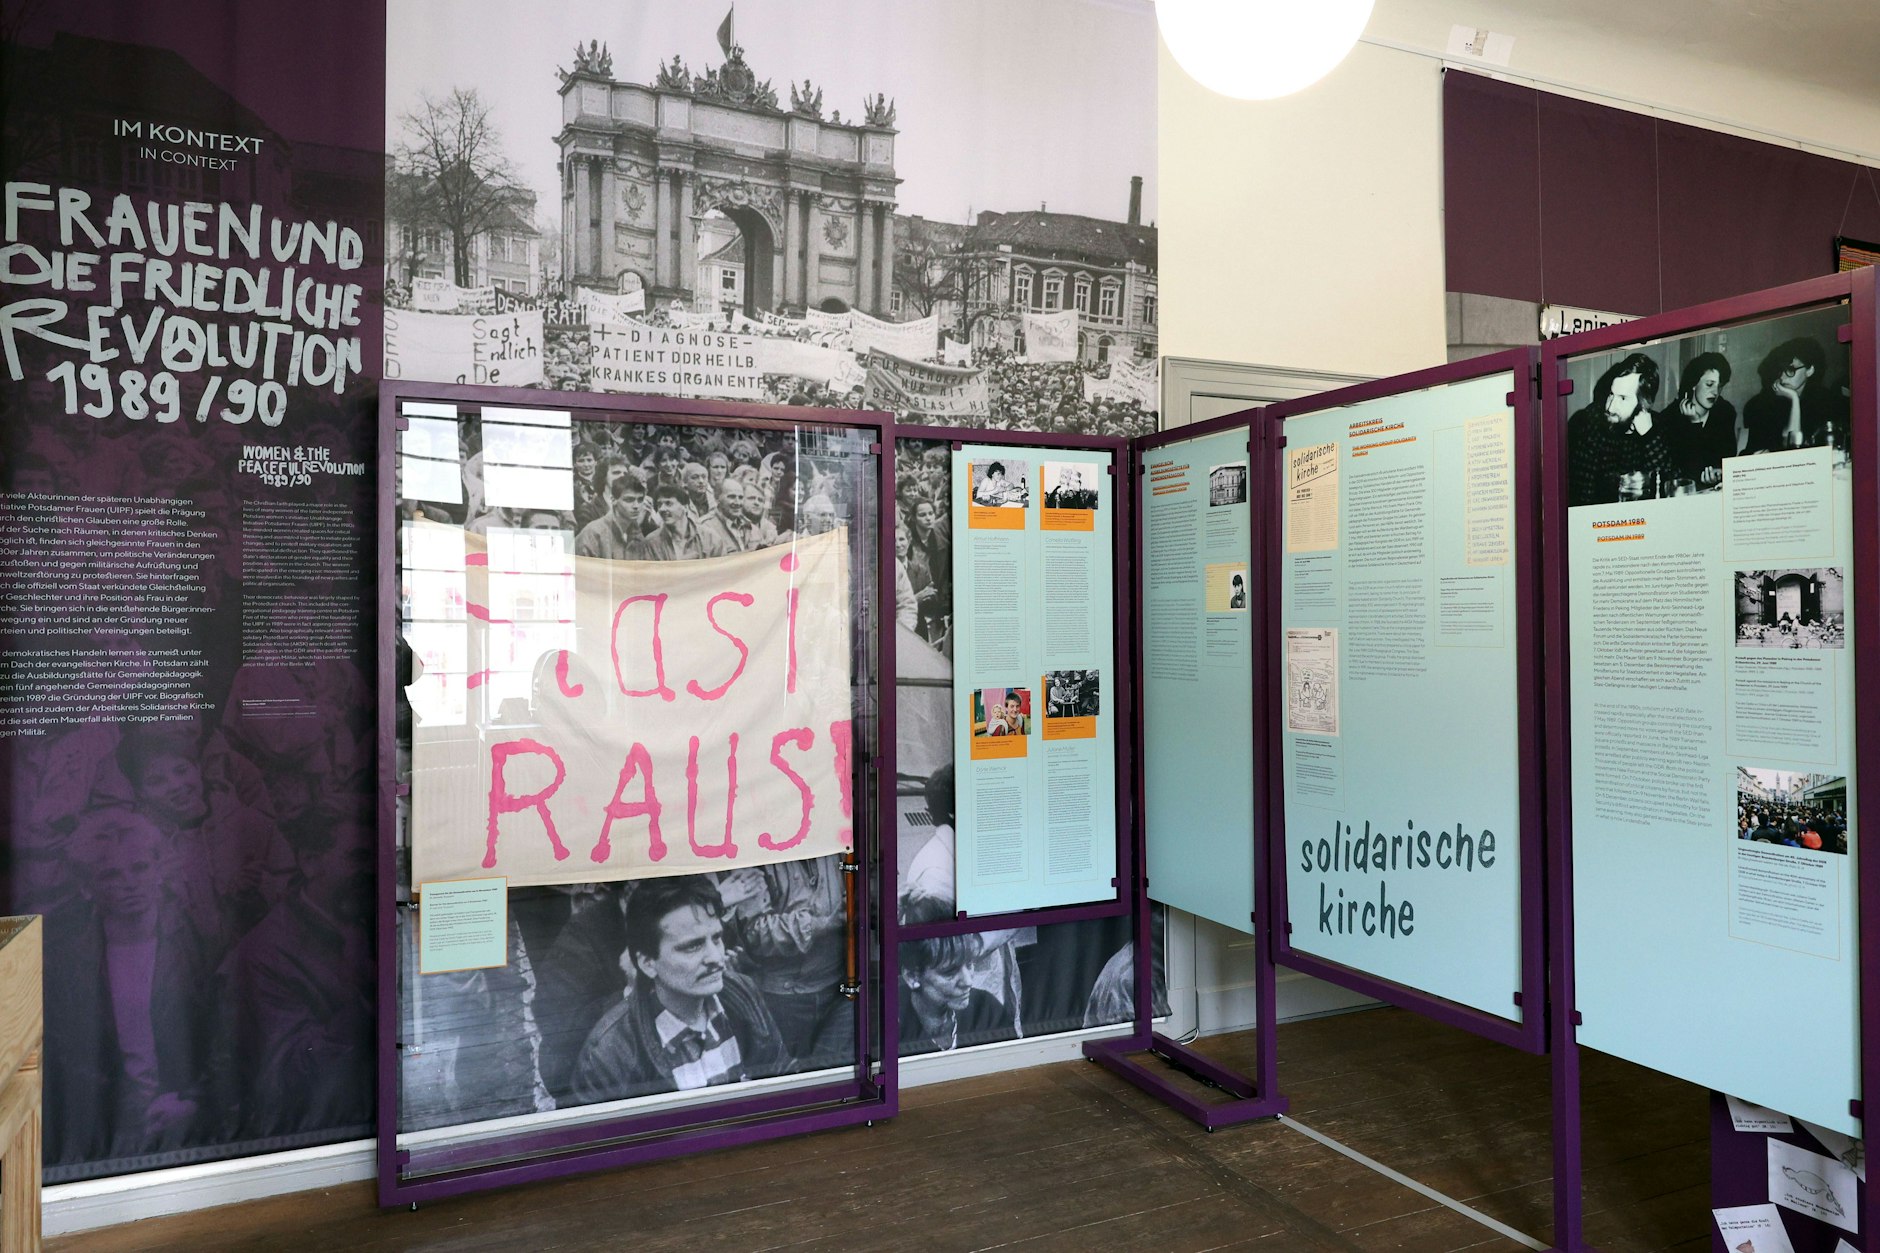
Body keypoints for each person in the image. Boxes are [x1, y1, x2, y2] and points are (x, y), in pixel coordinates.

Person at [571, 877, 787, 1102]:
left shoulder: (742, 992)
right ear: (647, 963)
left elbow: (781, 1084)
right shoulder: (609, 1053)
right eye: (692, 946)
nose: (716, 958)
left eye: (717, 938)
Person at [1566, 352, 1671, 506]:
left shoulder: (1658, 425)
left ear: (1644, 404)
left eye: (1622, 398)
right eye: (1611, 394)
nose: (1610, 407)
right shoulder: (1589, 424)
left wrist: (1649, 437)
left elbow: (1672, 486)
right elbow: (1582, 499)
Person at [899, 934, 1015, 1054]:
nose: (968, 982)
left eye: (969, 964)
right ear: (912, 977)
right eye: (949, 972)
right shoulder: (888, 1027)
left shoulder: (986, 1009)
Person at [1742, 337, 1830, 453]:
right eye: (1781, 370)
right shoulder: (1762, 403)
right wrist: (1794, 398)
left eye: (1790, 369)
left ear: (1809, 370)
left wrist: (1794, 400)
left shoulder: (1824, 401)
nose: (1782, 377)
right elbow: (1789, 447)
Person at [1664, 352, 1738, 488]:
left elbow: (1727, 458)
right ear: (1693, 384)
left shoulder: (1725, 412)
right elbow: (1686, 472)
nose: (1715, 392)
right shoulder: (1670, 417)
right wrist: (1694, 424)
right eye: (1709, 384)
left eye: (1719, 386)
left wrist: (1719, 472)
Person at [575, 468, 652, 559]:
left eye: (640, 500)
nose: (636, 506)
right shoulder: (593, 534)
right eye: (629, 500)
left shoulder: (638, 536)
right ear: (613, 500)